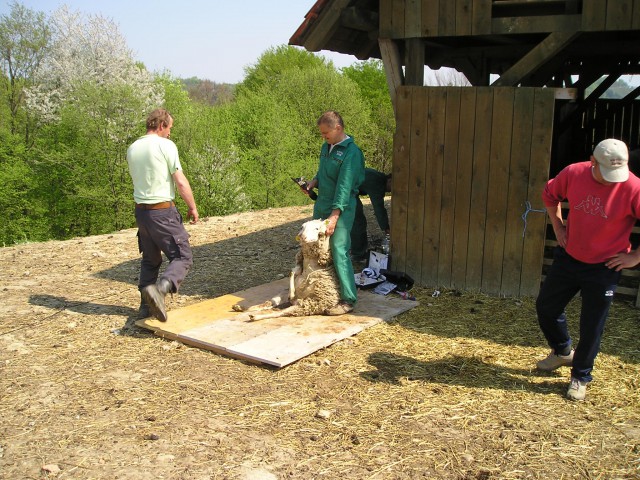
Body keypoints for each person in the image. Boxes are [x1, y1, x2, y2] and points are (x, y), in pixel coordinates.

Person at [535, 138, 640, 401]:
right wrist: (558, 227)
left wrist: (636, 256)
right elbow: (550, 195)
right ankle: (562, 352)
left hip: (605, 266)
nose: (613, 179)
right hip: (570, 257)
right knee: (546, 307)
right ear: (592, 162)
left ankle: (581, 376)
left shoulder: (634, 186)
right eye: (607, 173)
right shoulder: (574, 173)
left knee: (592, 325)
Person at [126, 108, 199, 322]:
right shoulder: (165, 145)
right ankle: (160, 290)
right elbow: (180, 181)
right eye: (169, 129)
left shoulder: (133, 148)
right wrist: (192, 207)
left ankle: (144, 307)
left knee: (150, 259)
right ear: (161, 126)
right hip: (162, 211)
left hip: (142, 213)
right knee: (182, 256)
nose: (170, 133)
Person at [303, 111, 365, 315]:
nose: (323, 137)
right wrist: (314, 182)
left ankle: (348, 299)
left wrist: (334, 216)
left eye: (325, 133)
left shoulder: (352, 152)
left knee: (338, 249)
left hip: (342, 207)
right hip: (322, 203)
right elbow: (323, 171)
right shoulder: (326, 146)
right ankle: (321, 292)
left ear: (338, 128)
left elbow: (345, 187)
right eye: (321, 134)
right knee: (317, 248)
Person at [350, 168, 392, 262]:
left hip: (348, 186)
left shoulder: (379, 176)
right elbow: (379, 208)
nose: (392, 190)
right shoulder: (378, 183)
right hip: (346, 188)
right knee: (358, 221)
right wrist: (386, 227)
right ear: (389, 180)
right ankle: (358, 255)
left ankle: (357, 250)